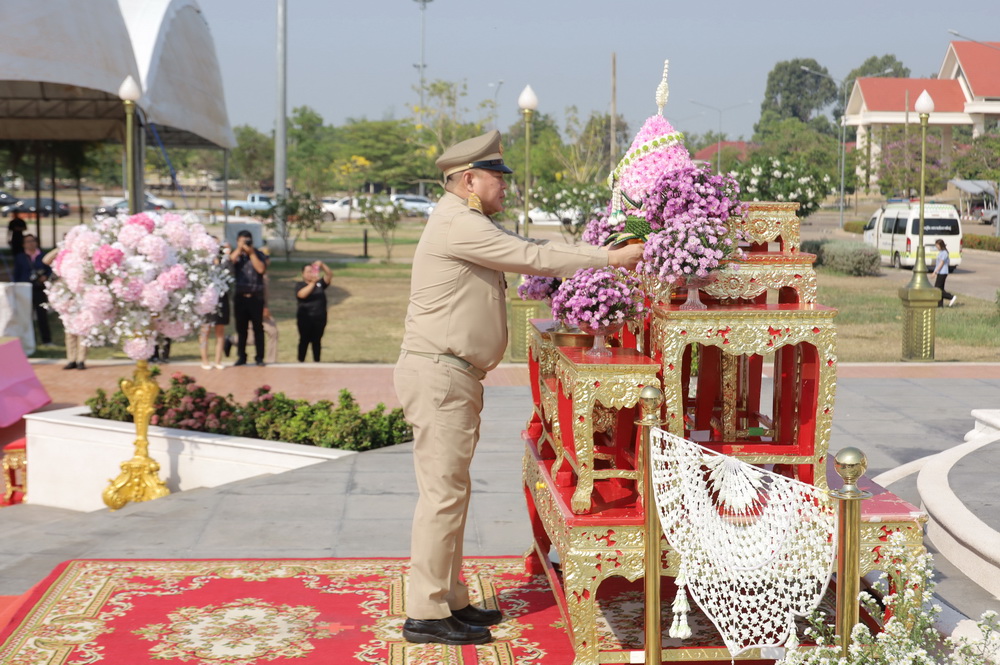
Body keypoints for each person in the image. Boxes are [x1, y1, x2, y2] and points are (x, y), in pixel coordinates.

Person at [393, 130, 644, 646]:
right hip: (440, 374)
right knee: (442, 494)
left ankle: (448, 597)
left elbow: (538, 248)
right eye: (496, 177)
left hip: (450, 373)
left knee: (451, 492)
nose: (505, 187)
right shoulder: (457, 223)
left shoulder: (464, 220)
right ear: (468, 180)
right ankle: (426, 611)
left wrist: (598, 250)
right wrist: (612, 261)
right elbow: (532, 257)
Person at [229, 230, 269, 366]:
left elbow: (261, 269)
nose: (245, 244)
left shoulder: (258, 254)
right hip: (240, 297)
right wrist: (239, 249)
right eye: (242, 241)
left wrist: (251, 253)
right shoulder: (237, 256)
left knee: (258, 328)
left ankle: (259, 357)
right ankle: (241, 356)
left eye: (247, 241)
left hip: (255, 297)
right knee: (241, 329)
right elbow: (228, 264)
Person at [13, 234, 53, 347]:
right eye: (27, 241)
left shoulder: (43, 256)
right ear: (23, 244)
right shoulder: (20, 257)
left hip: (39, 289)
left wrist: (45, 277)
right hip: (24, 289)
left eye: (32, 241)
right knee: (25, 316)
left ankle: (47, 340)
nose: (30, 243)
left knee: (42, 316)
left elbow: (50, 271)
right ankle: (26, 341)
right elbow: (17, 274)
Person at [200, 241, 231, 370]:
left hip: (221, 300)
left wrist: (227, 255)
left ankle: (218, 360)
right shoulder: (203, 263)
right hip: (206, 300)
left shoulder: (224, 263)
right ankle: (205, 360)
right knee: (204, 330)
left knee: (220, 331)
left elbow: (230, 274)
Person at [295, 260, 332, 362]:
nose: (310, 273)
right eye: (307, 272)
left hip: (319, 318)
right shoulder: (300, 285)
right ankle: (301, 361)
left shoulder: (320, 284)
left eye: (311, 271)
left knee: (317, 341)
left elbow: (329, 275)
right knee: (304, 340)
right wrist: (312, 283)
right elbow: (302, 295)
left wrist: (322, 265)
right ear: (303, 274)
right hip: (305, 318)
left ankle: (317, 361)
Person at [932, 239, 956, 308]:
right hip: (940, 272)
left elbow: (941, 263)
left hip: (943, 272)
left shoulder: (944, 253)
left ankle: (951, 297)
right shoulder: (941, 252)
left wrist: (935, 272)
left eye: (937, 245)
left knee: (937, 288)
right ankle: (940, 305)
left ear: (941, 245)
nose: (936, 247)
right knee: (940, 289)